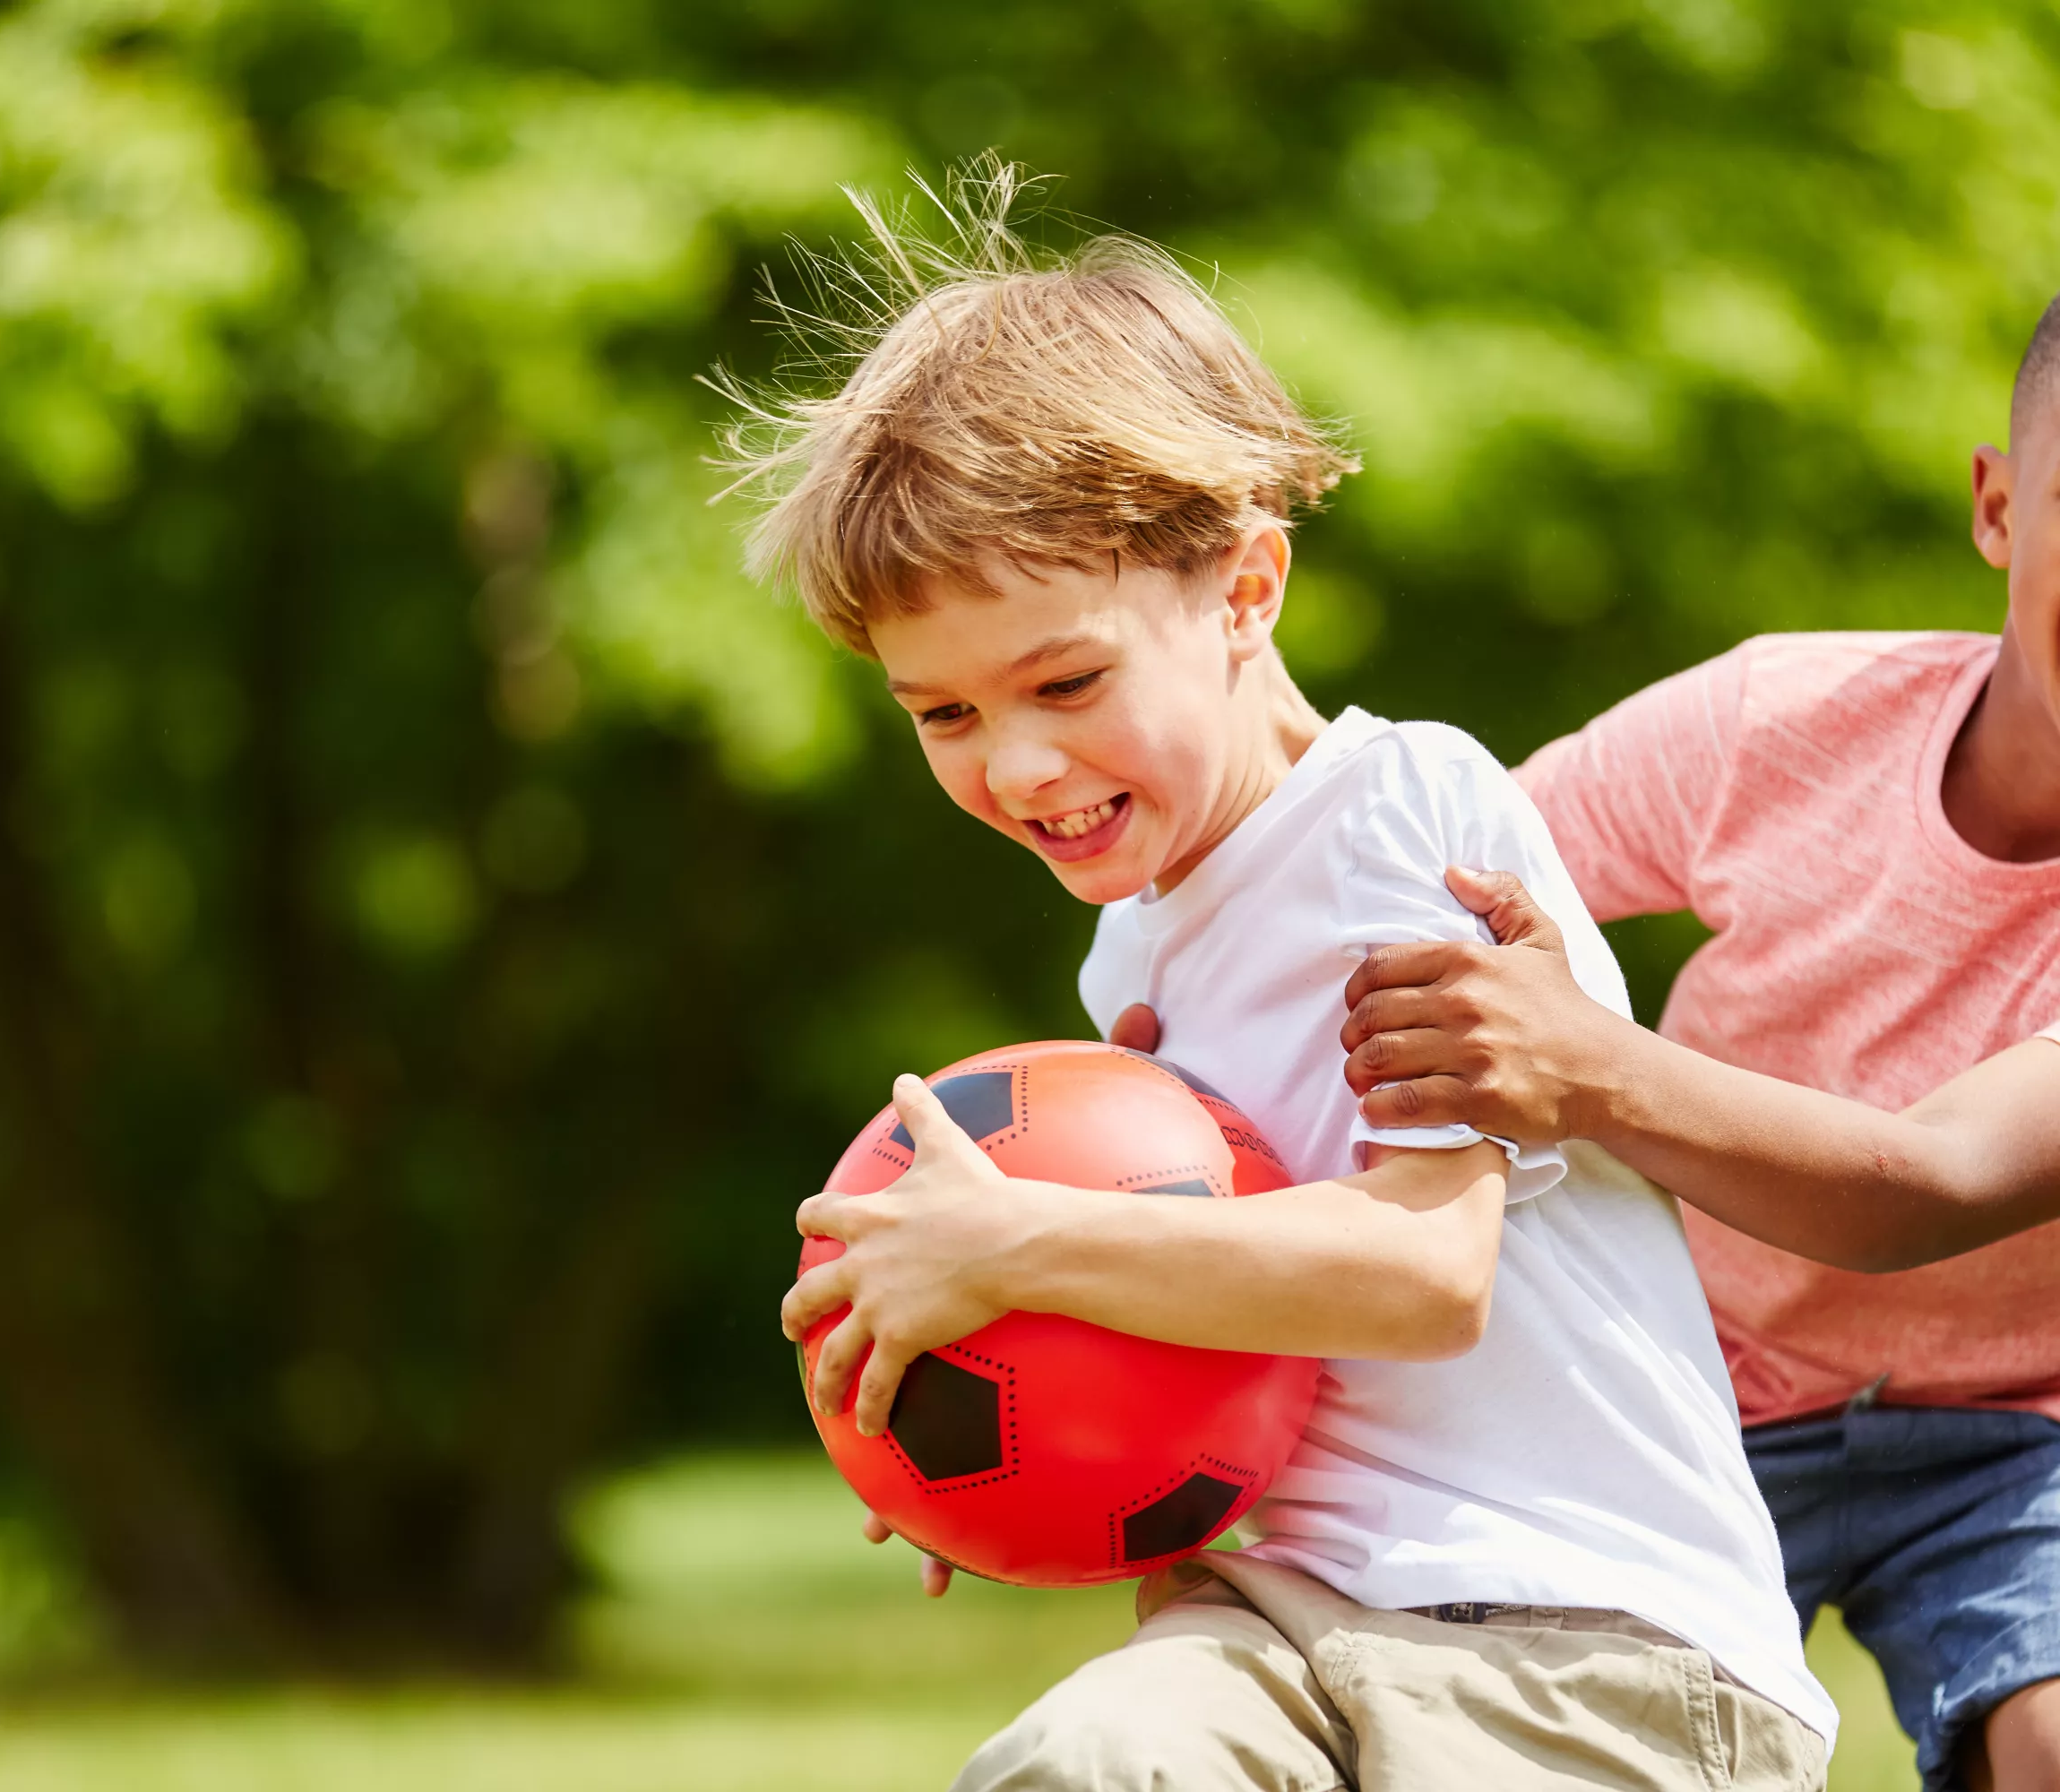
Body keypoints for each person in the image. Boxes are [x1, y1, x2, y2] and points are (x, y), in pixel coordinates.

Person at [729, 165, 1835, 1790]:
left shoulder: (1405, 820)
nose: (1020, 763)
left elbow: (1424, 1274)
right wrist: (1001, 1418)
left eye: (1067, 678)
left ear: (1246, 590)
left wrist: (1016, 1242)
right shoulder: (1135, 947)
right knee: (1075, 1764)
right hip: (1270, 1615)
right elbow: (1218, 1311)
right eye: (943, 713)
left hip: (1573, 1633)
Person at [1337, 297, 2060, 1792]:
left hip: (2023, 1439)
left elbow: (1924, 1184)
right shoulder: (1774, 725)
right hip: (1677, 1383)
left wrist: (1585, 1061)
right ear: (1999, 509)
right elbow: (1421, 894)